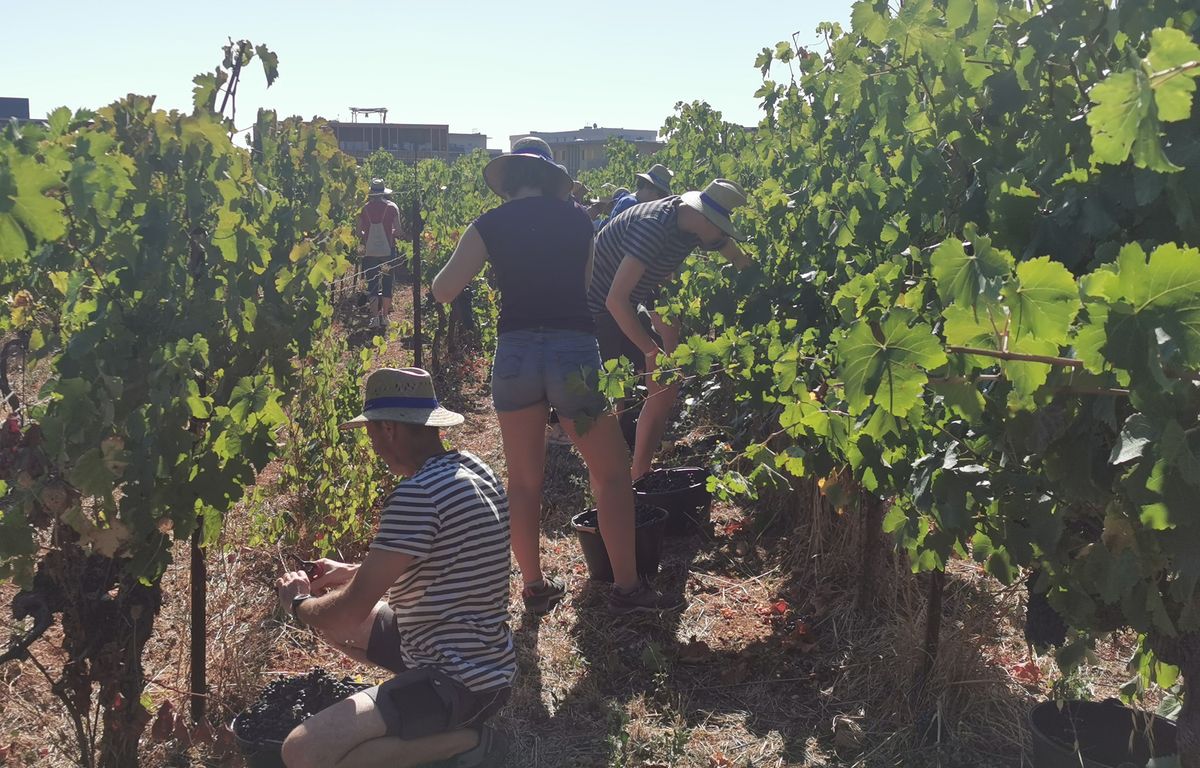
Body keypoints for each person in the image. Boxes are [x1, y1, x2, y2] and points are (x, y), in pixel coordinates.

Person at [431, 136, 678, 616]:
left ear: (509, 181)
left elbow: (442, 291)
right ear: (550, 179)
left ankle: (534, 585)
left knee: (523, 481)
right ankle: (627, 588)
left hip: (516, 355)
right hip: (573, 352)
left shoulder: (489, 224)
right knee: (609, 474)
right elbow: (584, 285)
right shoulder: (578, 221)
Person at [275, 367, 513, 768]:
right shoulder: (473, 468)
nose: (372, 445)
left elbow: (346, 612)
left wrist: (297, 603)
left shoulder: (416, 494)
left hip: (458, 682)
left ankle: (466, 741)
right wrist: (350, 571)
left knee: (301, 752)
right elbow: (446, 560)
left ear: (388, 429)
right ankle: (418, 710)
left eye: (370, 434)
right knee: (343, 628)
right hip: (490, 663)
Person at [588, 179, 753, 481]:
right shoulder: (653, 227)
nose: (721, 236)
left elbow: (735, 255)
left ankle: (640, 472)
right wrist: (651, 350)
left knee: (665, 383)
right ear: (704, 218)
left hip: (627, 303)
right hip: (595, 310)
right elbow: (615, 299)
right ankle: (608, 480)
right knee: (613, 395)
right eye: (720, 226)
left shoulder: (692, 227)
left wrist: (760, 284)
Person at [357, 179, 406, 330]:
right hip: (387, 251)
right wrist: (389, 232)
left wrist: (368, 234)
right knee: (387, 282)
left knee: (372, 282)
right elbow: (398, 231)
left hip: (371, 252)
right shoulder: (392, 208)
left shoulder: (363, 209)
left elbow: (359, 232)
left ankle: (374, 318)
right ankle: (384, 317)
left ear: (371, 192)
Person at [600, 163, 675, 227]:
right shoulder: (631, 204)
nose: (658, 200)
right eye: (660, 195)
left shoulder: (629, 200)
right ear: (647, 187)